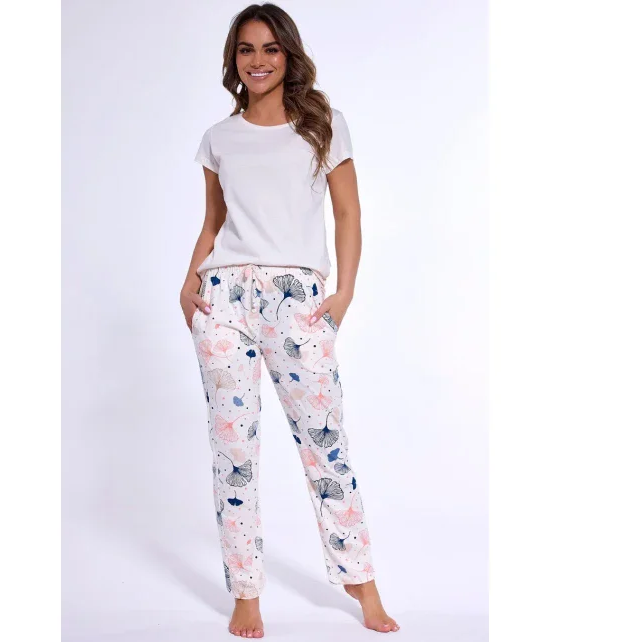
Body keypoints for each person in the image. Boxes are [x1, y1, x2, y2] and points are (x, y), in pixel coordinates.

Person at [180, 3, 400, 637]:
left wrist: (344, 292)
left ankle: (361, 581)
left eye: (270, 49)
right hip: (222, 299)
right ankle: (245, 591)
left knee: (325, 444)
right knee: (233, 452)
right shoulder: (218, 138)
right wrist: (188, 285)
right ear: (234, 59)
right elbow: (214, 222)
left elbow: (349, 214)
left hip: (296, 298)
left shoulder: (323, 125)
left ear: (288, 55)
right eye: (246, 49)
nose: (258, 60)